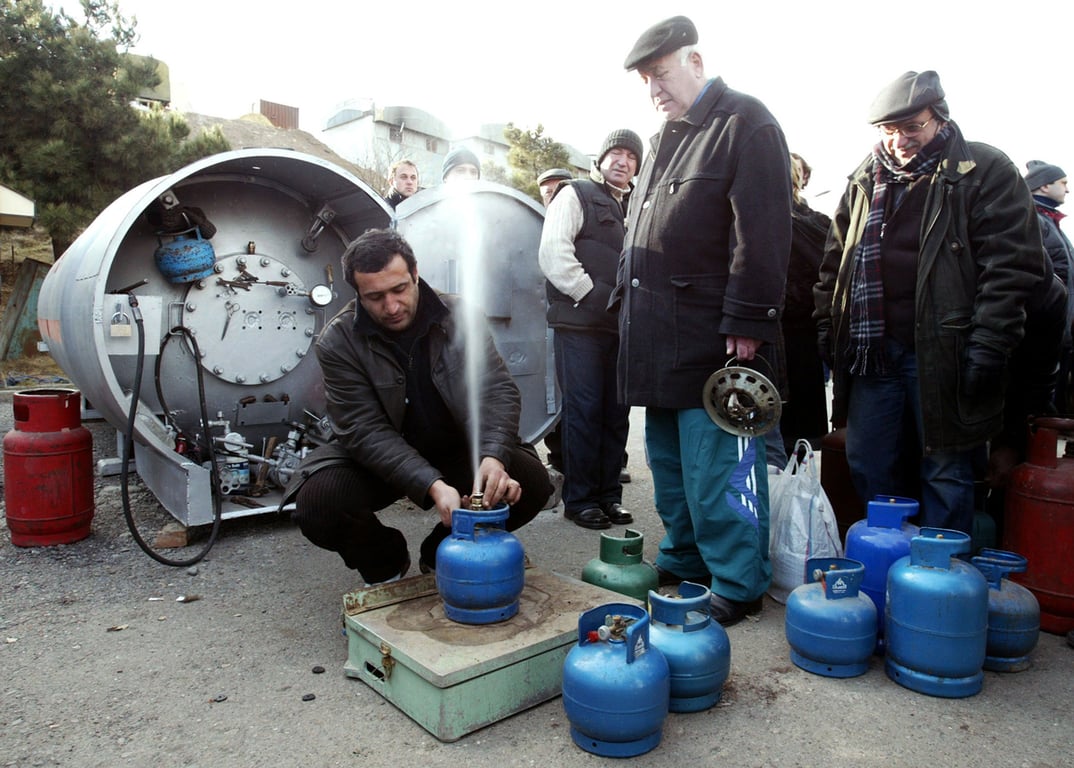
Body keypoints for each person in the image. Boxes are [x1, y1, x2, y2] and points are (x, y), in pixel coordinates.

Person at [613, 16, 792, 625]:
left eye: (660, 74)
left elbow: (763, 234)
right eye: (645, 79)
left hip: (716, 339)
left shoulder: (747, 121)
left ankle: (737, 581)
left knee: (721, 467)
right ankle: (685, 557)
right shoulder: (663, 137)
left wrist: (748, 319)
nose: (654, 89)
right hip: (657, 334)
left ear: (695, 61)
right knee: (667, 464)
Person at [814, 70, 1045, 536]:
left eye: (912, 127)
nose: (899, 140)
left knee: (946, 471)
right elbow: (834, 262)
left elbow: (1013, 266)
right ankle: (891, 567)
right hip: (873, 354)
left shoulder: (984, 170)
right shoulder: (864, 177)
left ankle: (938, 585)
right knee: (869, 462)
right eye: (888, 130)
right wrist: (827, 326)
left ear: (940, 118)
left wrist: (988, 344)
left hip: (946, 353)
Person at [284, 229, 553, 584]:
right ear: (358, 294)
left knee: (530, 481)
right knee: (318, 505)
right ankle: (385, 563)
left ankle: (441, 552)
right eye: (375, 297)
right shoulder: (337, 341)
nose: (392, 307)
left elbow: (497, 391)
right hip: (378, 459)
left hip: (455, 448)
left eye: (399, 290)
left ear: (415, 274)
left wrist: (493, 456)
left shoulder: (461, 315)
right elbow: (364, 431)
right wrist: (431, 485)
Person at [538, 129, 643, 530]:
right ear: (600, 160)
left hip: (623, 329)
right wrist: (591, 293)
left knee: (616, 414)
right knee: (583, 411)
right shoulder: (575, 193)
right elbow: (553, 251)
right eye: (615, 153)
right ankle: (580, 500)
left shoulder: (637, 204)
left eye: (631, 156)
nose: (622, 161)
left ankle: (609, 496)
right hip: (580, 324)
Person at [780, 153, 832, 455]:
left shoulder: (816, 225)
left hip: (799, 338)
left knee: (792, 439)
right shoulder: (819, 225)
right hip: (794, 337)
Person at [1025, 160, 1074, 412]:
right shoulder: (1032, 221)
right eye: (1063, 183)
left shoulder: (1052, 224)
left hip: (1062, 335)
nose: (1067, 190)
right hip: (1041, 337)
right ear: (1044, 186)